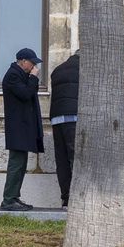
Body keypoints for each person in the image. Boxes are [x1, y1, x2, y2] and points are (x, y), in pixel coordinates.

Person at [0, 48, 43, 211]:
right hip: (18, 127)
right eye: (32, 63)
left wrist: (31, 78)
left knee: (21, 163)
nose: (33, 66)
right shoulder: (13, 75)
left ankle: (14, 196)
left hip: (22, 127)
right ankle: (9, 199)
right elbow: (25, 94)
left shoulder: (20, 75)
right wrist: (33, 78)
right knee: (16, 164)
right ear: (23, 61)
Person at [49, 50, 80, 207]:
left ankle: (66, 198)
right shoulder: (84, 68)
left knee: (61, 159)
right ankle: (78, 197)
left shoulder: (57, 70)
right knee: (76, 158)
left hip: (57, 119)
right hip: (75, 118)